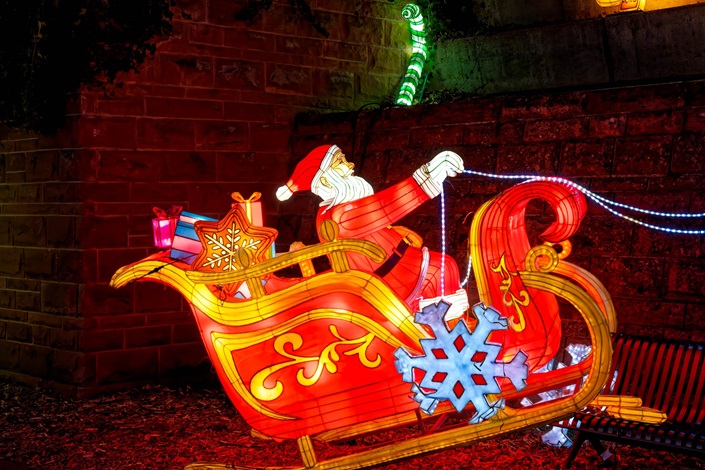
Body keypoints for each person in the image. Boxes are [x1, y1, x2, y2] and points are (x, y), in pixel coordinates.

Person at [276, 144, 469, 320]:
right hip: (394, 280)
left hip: (401, 265)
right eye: (340, 162)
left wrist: (395, 233)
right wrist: (429, 174)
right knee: (444, 268)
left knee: (445, 266)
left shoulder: (329, 213)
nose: (350, 165)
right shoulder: (341, 215)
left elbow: (372, 225)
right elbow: (389, 205)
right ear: (326, 181)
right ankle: (430, 322)